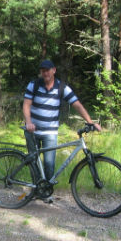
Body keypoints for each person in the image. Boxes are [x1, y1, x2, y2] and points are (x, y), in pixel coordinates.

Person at [22, 59, 101, 201]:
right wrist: (28, 122)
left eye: (48, 70)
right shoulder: (34, 84)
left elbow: (77, 104)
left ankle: (44, 191)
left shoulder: (62, 87)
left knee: (49, 165)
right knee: (33, 163)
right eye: (43, 70)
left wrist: (90, 122)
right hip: (32, 130)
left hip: (50, 132)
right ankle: (38, 191)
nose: (45, 73)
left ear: (54, 70)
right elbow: (26, 105)